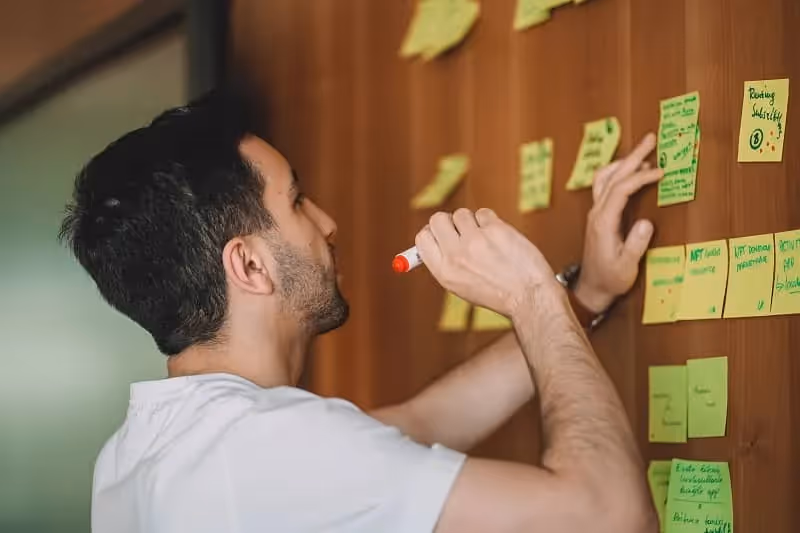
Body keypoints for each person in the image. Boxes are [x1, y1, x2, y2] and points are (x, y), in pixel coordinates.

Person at [59, 91, 663, 533]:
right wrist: (531, 295)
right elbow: (609, 515)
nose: (327, 224)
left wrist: (582, 297)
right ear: (248, 266)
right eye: (297, 202)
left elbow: (423, 420)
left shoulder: (141, 451)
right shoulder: (272, 447)